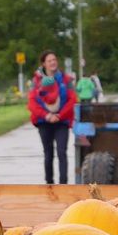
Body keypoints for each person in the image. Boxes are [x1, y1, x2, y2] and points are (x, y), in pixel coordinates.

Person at [27, 50, 76, 185]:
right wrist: (47, 115)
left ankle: (63, 185)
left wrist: (60, 115)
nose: (53, 62)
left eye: (54, 59)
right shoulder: (36, 81)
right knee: (48, 153)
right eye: (49, 60)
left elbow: (72, 100)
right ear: (44, 64)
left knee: (62, 152)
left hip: (62, 121)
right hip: (44, 122)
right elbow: (31, 102)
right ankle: (49, 184)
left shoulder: (66, 79)